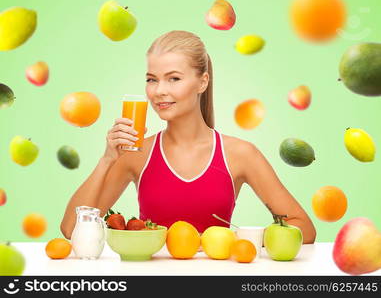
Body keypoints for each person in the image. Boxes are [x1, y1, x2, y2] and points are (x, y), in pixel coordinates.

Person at [60, 30, 316, 243]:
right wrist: (107, 160)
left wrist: (245, 240)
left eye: (173, 78)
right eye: (152, 79)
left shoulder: (240, 154)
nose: (159, 91)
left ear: (202, 82)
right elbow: (71, 229)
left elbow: (304, 228)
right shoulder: (135, 155)